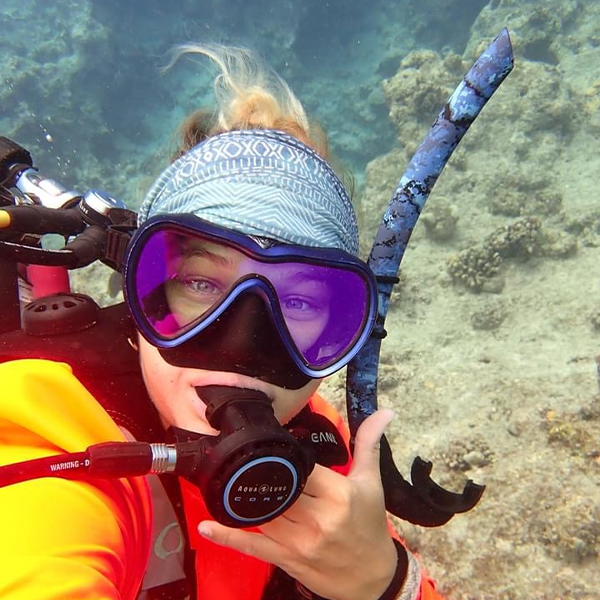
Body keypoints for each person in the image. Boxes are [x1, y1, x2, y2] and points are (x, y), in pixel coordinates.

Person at [0, 45, 444, 600]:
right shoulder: (50, 437)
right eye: (201, 284)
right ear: (142, 297)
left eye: (301, 304)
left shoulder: (316, 444)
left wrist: (385, 581)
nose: (243, 351)